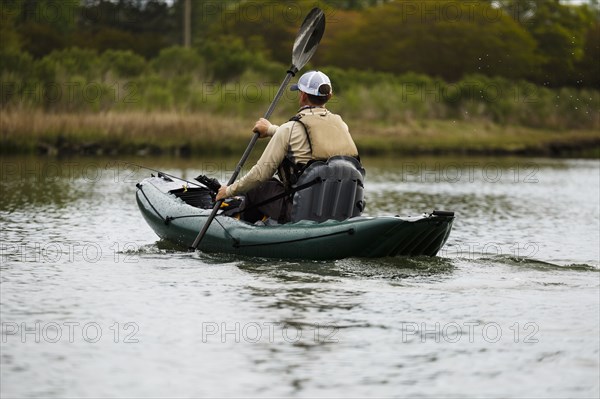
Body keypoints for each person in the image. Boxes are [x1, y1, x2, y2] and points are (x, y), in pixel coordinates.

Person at [216, 70, 359, 223]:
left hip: (300, 212)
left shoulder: (289, 129)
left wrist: (228, 191)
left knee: (257, 188)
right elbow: (308, 141)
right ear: (329, 96)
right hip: (338, 210)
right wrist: (271, 130)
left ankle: (244, 231)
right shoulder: (342, 126)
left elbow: (260, 174)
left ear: (303, 95)